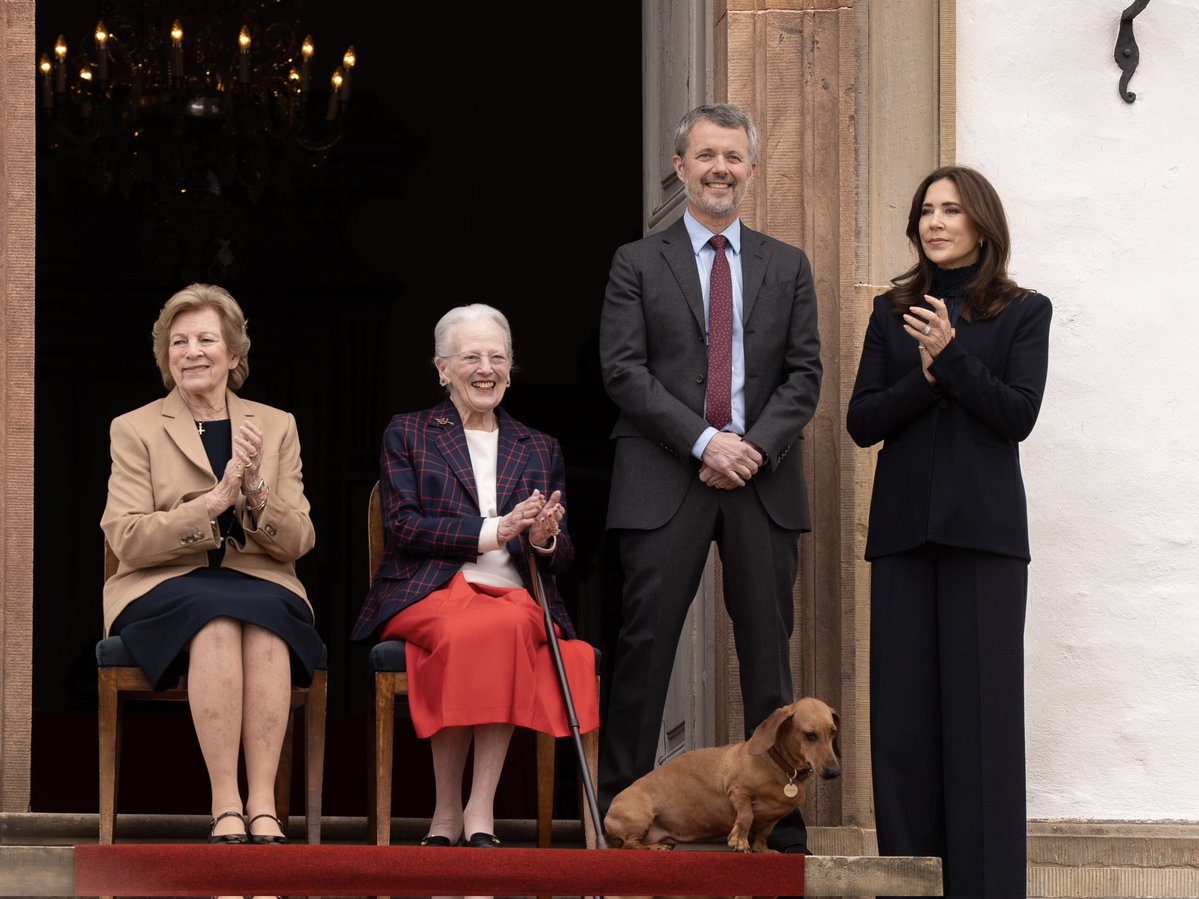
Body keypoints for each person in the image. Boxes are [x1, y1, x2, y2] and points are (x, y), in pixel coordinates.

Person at [597, 103, 822, 853]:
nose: (719, 168)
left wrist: (748, 446)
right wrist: (703, 442)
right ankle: (618, 817)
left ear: (750, 169)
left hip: (761, 477)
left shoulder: (786, 265)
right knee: (645, 649)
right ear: (680, 166)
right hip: (664, 475)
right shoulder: (636, 261)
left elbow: (803, 375)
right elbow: (622, 371)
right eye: (705, 156)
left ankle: (777, 824)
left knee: (767, 653)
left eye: (733, 157)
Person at [846, 165, 1051, 896]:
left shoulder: (1023, 311)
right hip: (903, 535)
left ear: (980, 223)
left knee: (983, 725)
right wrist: (925, 376)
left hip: (984, 538)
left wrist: (952, 357)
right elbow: (861, 420)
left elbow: (1016, 414)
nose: (934, 222)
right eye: (925, 210)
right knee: (901, 727)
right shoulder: (890, 309)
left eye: (950, 210)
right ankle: (909, 882)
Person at [351, 303, 599, 848]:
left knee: (504, 624)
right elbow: (403, 527)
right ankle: (447, 811)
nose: (485, 368)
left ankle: (477, 806)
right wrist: (497, 529)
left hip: (513, 595)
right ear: (442, 368)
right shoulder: (409, 433)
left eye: (497, 356)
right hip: (429, 591)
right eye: (470, 357)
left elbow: (563, 556)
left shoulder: (539, 446)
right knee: (486, 629)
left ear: (511, 367)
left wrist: (541, 538)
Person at [100, 283, 322, 861]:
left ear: (233, 353)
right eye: (179, 341)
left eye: (206, 339)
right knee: (218, 618)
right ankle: (227, 801)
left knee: (266, 617)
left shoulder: (275, 425)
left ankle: (264, 802)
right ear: (164, 355)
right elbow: (124, 536)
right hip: (162, 584)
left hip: (261, 578)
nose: (192, 351)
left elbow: (300, 539)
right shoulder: (135, 427)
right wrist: (212, 504)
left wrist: (254, 493)